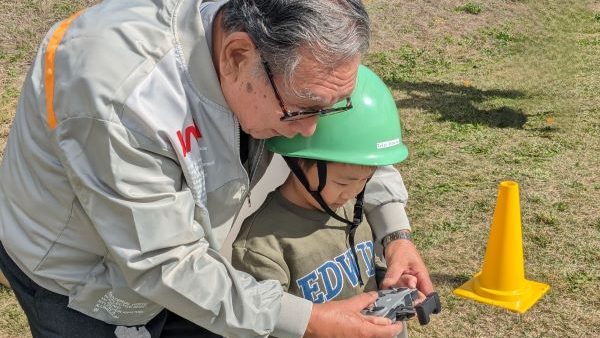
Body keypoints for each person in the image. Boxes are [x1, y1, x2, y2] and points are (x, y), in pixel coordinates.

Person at [0, 0, 433, 337]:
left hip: (194, 263)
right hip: (84, 276)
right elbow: (163, 263)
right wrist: (309, 320)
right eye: (302, 111)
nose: (313, 131)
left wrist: (394, 234)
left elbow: (351, 143)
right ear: (236, 54)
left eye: (330, 106)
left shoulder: (297, 63)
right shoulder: (120, 95)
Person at [232, 65, 418, 338]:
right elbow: (263, 324)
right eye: (343, 182)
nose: (352, 192)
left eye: (363, 181)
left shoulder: (349, 208)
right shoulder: (261, 246)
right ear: (298, 161)